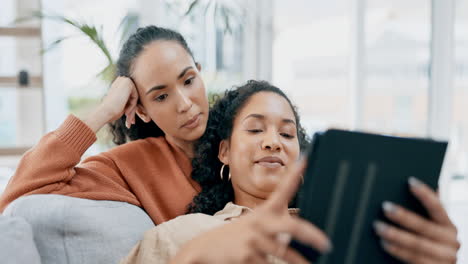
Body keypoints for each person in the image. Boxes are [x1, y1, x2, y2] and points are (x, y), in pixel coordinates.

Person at [121, 80, 461, 264]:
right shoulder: (180, 235)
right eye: (255, 130)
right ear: (224, 151)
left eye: (287, 134)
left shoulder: (348, 232)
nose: (274, 143)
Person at [0, 25, 210, 224]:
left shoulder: (240, 130)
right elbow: (15, 200)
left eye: (189, 81)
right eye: (161, 96)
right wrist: (106, 110)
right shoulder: (132, 166)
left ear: (199, 72)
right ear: (142, 110)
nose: (184, 104)